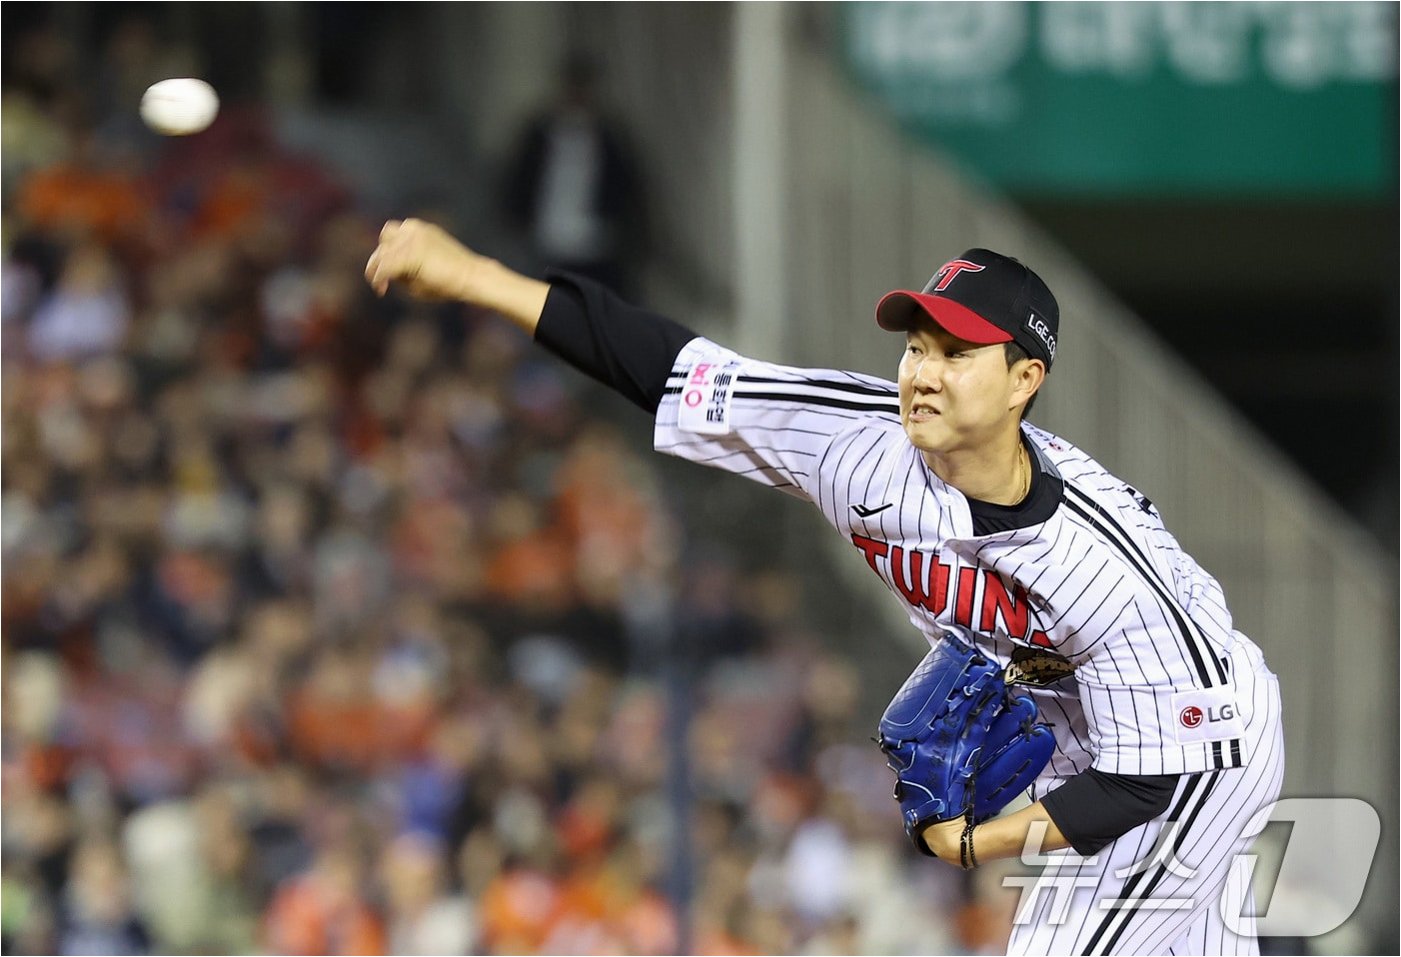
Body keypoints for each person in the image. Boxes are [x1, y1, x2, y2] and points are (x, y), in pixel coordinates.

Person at [364, 219, 1285, 956]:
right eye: (916, 346)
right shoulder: (858, 445)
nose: (921, 374)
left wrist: (971, 843)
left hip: (1196, 744)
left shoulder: (1103, 569)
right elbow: (664, 365)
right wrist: (472, 275)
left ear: (1022, 381)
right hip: (1097, 733)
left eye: (955, 354)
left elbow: (1142, 781)